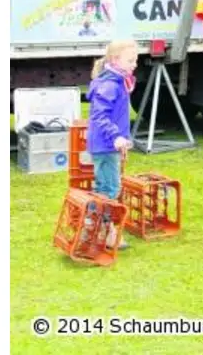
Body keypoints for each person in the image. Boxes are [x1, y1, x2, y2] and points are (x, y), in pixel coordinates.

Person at [87, 39, 137, 249]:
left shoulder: (117, 81)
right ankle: (102, 230)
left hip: (108, 144)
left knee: (106, 186)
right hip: (106, 145)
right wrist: (116, 136)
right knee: (109, 188)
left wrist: (122, 139)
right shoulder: (110, 85)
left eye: (136, 60)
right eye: (130, 60)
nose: (134, 64)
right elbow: (100, 115)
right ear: (115, 60)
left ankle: (95, 227)